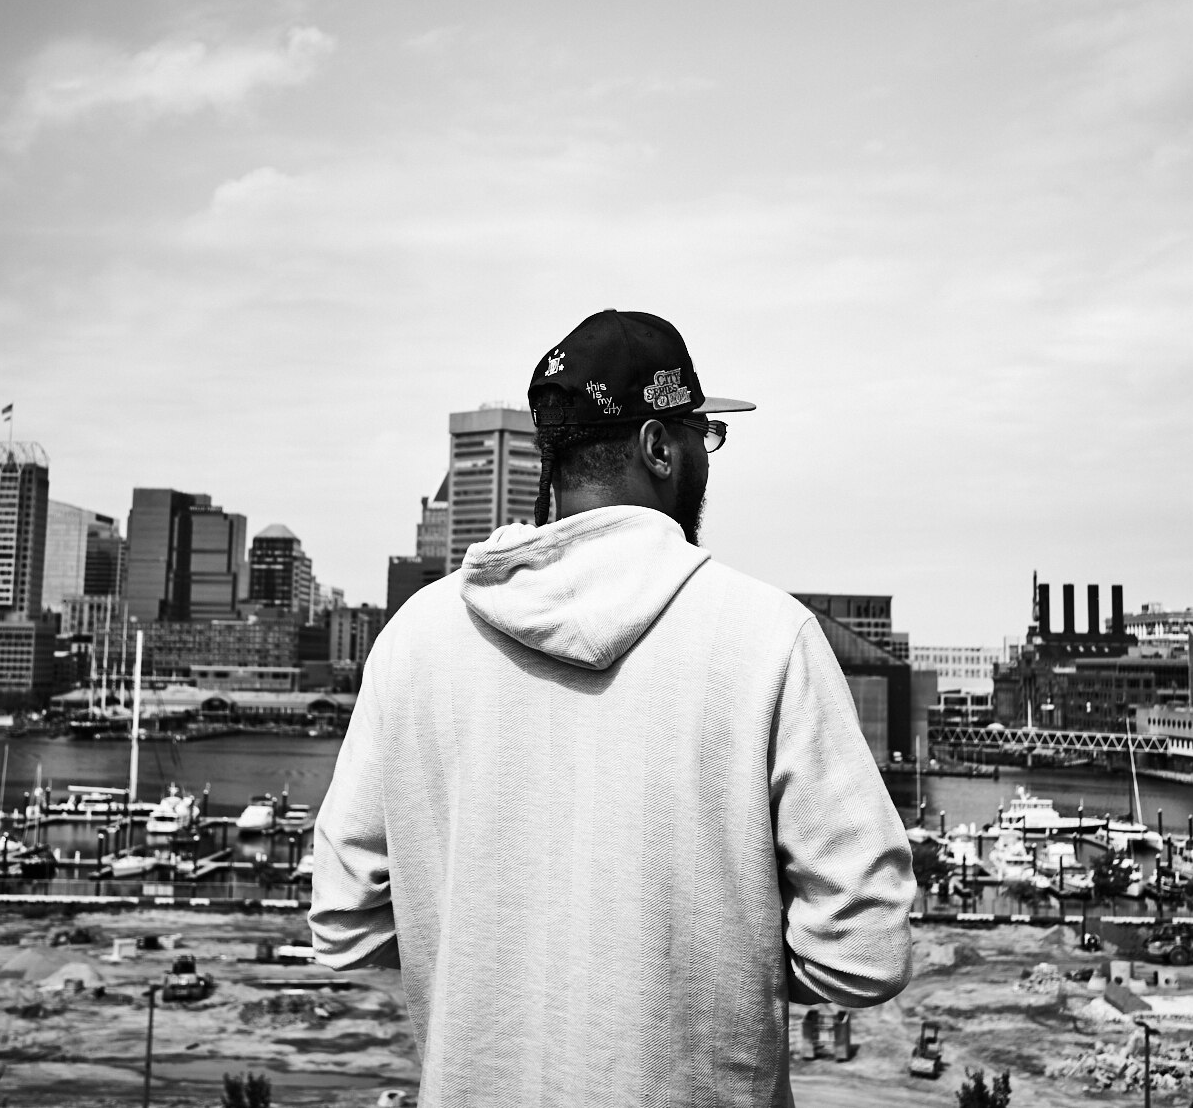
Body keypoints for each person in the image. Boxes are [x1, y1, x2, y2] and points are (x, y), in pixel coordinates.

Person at [310, 309, 915, 1107]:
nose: (707, 455)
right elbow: (864, 949)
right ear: (660, 447)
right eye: (705, 435)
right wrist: (699, 976)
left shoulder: (415, 638)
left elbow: (345, 919)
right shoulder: (768, 639)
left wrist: (495, 969)